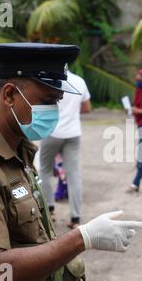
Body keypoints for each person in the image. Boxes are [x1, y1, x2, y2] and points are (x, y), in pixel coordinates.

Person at [0, 43, 142, 281]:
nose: (53, 112)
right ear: (9, 95)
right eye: (47, 101)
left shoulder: (18, 147)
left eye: (57, 102)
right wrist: (82, 238)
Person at [39, 69, 91, 229]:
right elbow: (87, 107)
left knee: (44, 170)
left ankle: (50, 210)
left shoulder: (49, 79)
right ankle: (75, 218)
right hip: (73, 133)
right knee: (74, 175)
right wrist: (72, 112)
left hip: (52, 132)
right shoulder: (80, 81)